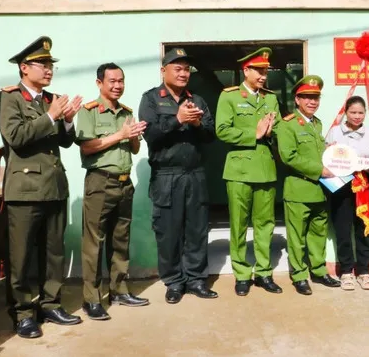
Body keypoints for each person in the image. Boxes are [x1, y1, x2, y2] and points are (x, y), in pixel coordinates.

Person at [0, 36, 83, 338]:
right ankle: (22, 313)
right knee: (20, 257)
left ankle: (51, 304)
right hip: (25, 190)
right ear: (24, 67)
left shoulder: (50, 100)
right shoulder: (8, 98)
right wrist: (51, 116)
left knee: (54, 252)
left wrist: (67, 121)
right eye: (42, 64)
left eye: (50, 64)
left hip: (54, 186)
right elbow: (16, 137)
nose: (48, 69)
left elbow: (65, 142)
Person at [138, 47, 217, 304]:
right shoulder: (151, 99)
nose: (184, 74)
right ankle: (173, 282)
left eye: (187, 69)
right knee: (168, 232)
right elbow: (151, 135)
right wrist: (178, 119)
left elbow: (210, 136)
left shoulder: (198, 100)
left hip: (195, 174)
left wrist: (197, 123)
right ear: (164, 71)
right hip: (166, 176)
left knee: (197, 229)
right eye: (178, 69)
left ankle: (196, 279)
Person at [75, 62, 150, 321]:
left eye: (121, 81)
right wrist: (121, 134)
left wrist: (133, 135)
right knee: (94, 244)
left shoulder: (126, 112)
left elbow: (135, 149)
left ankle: (119, 290)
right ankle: (91, 299)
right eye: (112, 81)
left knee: (121, 240)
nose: (118, 86)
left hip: (124, 183)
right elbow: (87, 147)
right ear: (100, 83)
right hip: (100, 182)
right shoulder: (89, 111)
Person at [215, 47, 282, 296]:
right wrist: (254, 133)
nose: (264, 76)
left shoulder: (270, 98)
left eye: (266, 72)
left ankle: (264, 272)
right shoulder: (230, 97)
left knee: (265, 224)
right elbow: (222, 130)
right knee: (239, 224)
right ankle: (242, 274)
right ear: (246, 70)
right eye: (259, 71)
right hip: (239, 169)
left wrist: (272, 133)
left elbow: (277, 130)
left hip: (265, 168)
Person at [277, 75, 341, 295]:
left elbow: (315, 152)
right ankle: (299, 276)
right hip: (298, 190)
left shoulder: (317, 123)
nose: (312, 102)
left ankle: (319, 271)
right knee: (297, 237)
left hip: (320, 190)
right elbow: (289, 156)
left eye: (316, 98)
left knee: (318, 234)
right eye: (307, 97)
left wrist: (330, 152)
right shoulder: (288, 124)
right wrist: (319, 170)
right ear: (297, 100)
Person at [325, 96, 369, 291]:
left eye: (361, 112)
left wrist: (368, 163)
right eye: (353, 112)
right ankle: (346, 272)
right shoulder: (334, 132)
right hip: (339, 183)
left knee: (362, 228)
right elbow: (325, 154)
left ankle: (364, 271)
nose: (357, 116)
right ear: (345, 113)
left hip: (362, 183)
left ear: (365, 113)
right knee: (342, 228)